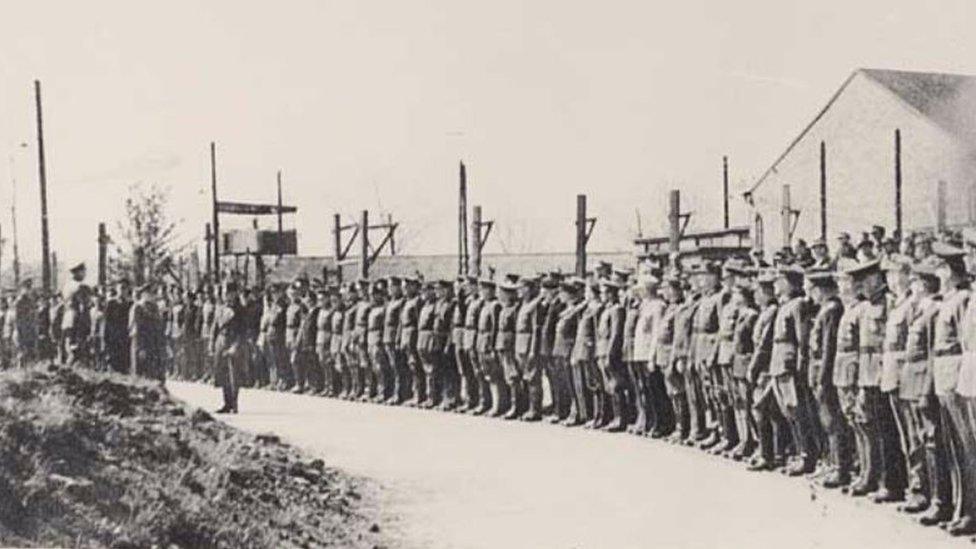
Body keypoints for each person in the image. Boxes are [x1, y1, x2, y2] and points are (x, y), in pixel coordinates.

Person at [213, 281, 245, 414]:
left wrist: (235, 346)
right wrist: (213, 342)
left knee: (234, 374)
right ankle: (226, 403)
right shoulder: (221, 308)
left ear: (235, 293)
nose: (227, 296)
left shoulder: (240, 309)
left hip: (233, 340)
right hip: (221, 340)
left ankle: (234, 403)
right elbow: (215, 326)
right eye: (226, 293)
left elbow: (243, 330)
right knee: (222, 373)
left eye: (230, 293)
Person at [129, 283, 164, 383]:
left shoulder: (155, 308)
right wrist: (141, 347)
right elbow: (136, 329)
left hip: (154, 347)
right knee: (140, 376)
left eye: (154, 293)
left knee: (153, 377)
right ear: (143, 294)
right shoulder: (137, 307)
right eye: (150, 293)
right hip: (141, 346)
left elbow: (159, 328)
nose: (153, 295)